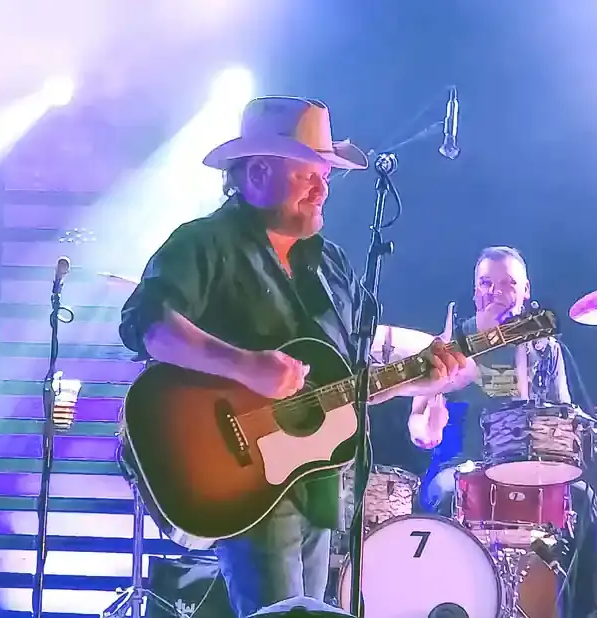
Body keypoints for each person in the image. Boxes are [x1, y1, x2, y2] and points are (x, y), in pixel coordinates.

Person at [118, 96, 466, 618]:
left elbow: (348, 382)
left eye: (326, 175)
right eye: (309, 174)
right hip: (246, 476)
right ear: (258, 173)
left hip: (319, 481)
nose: (323, 188)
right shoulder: (206, 242)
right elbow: (146, 324)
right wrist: (243, 365)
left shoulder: (329, 261)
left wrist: (422, 378)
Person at [408, 245, 597, 618]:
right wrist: (425, 434)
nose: (495, 292)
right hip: (461, 467)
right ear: (474, 290)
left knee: (584, 498)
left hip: (531, 470)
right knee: (445, 492)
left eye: (507, 283)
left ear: (526, 290)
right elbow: (417, 420)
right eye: (485, 283)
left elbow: (559, 419)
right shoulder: (450, 344)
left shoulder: (545, 347)